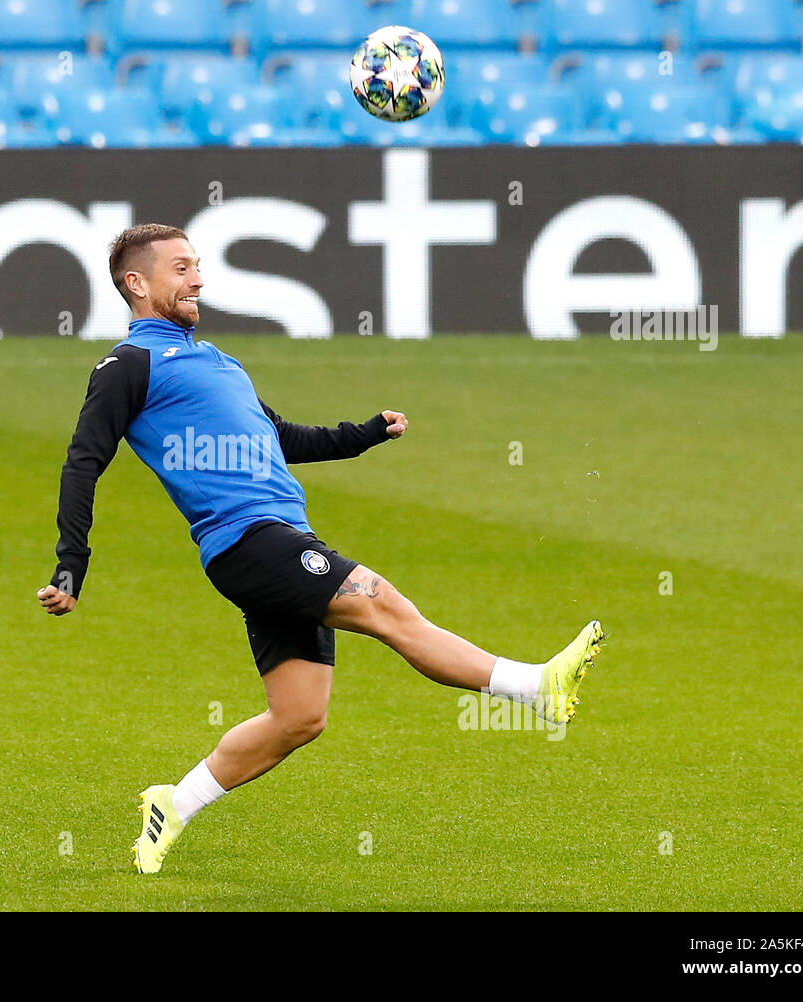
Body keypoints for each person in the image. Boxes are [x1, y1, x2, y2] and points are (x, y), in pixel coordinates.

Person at [38, 223, 605, 874]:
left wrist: (363, 434)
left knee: (299, 718)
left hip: (276, 542)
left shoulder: (220, 363)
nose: (198, 279)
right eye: (181, 268)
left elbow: (285, 438)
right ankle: (536, 688)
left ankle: (174, 802)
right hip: (248, 541)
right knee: (386, 607)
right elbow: (84, 460)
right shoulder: (128, 365)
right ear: (137, 283)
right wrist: (71, 562)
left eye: (198, 266)